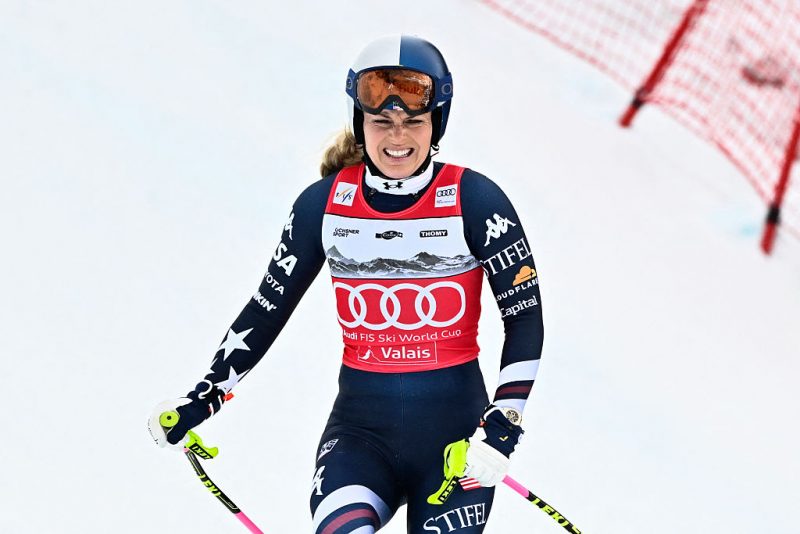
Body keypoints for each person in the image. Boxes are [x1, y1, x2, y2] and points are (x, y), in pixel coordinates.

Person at [148, 35, 544, 533]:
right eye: (381, 121)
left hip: (458, 442)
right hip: (360, 438)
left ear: (435, 124)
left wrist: (503, 423)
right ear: (361, 123)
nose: (397, 136)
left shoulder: (476, 200)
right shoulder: (322, 206)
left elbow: (524, 316)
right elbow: (266, 310)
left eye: (413, 122)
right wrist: (204, 395)